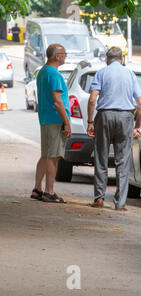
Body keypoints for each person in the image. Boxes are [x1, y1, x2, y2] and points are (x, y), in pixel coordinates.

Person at [87, 47, 141, 211]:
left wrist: (90, 122)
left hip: (104, 116)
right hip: (125, 117)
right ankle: (120, 203)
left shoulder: (102, 73)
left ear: (107, 59)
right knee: (123, 161)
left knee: (101, 158)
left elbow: (92, 100)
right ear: (122, 59)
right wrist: (138, 126)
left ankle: (99, 198)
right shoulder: (130, 74)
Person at [31, 44, 71, 203]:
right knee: (53, 157)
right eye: (64, 53)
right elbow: (58, 102)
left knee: (46, 155)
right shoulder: (54, 74)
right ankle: (49, 191)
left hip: (46, 118)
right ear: (57, 56)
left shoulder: (42, 72)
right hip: (55, 119)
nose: (65, 56)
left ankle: (37, 189)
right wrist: (67, 123)